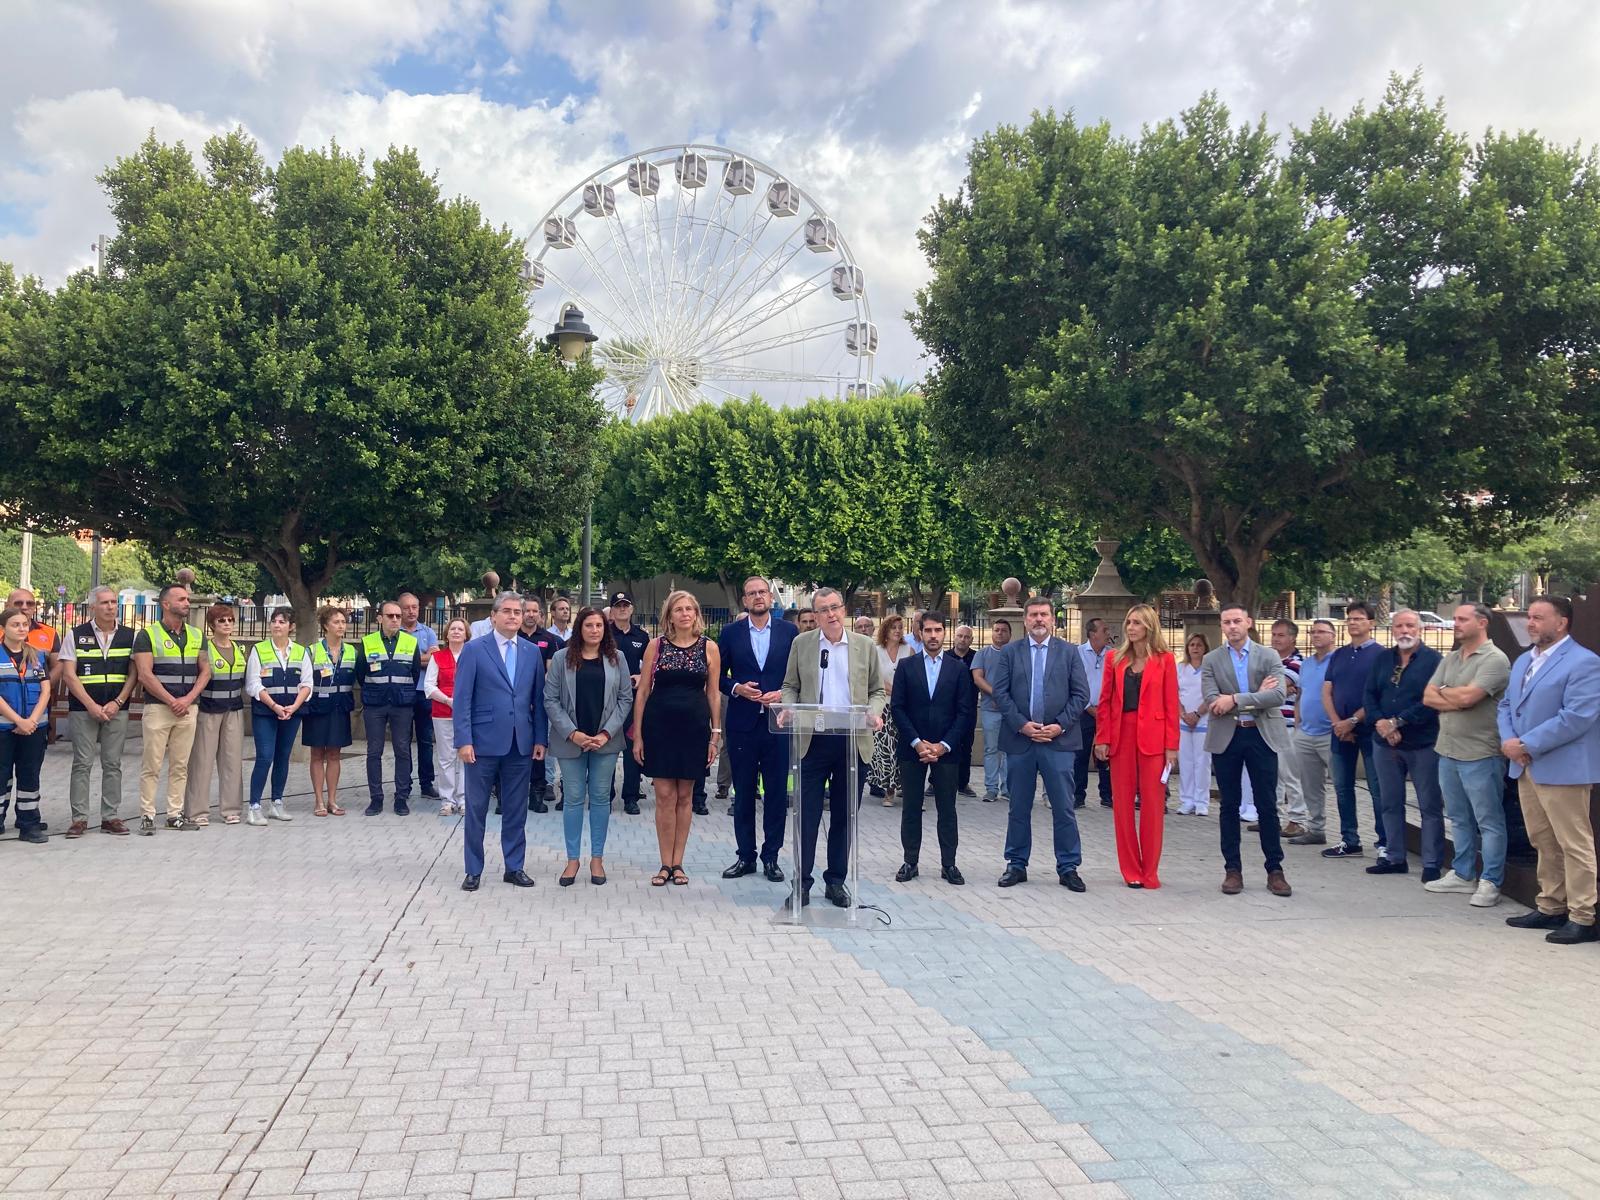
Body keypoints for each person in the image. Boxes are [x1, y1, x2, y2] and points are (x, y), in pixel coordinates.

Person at [1497, 595, 1600, 944]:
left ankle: (1583, 915)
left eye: (1539, 617)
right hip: (1525, 766)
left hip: (1563, 768)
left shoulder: (1584, 663)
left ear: (1562, 622)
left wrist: (1525, 744)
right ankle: (1550, 905)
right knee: (1542, 840)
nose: (1530, 623)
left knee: (1574, 843)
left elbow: (1577, 717)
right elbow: (1507, 705)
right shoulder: (1524, 660)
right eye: (1529, 616)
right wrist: (1510, 741)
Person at [778, 586, 887, 906]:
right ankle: (802, 883)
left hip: (852, 742)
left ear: (844, 609)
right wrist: (788, 707)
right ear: (815, 615)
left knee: (844, 816)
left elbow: (877, 691)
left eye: (835, 607)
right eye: (823, 610)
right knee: (806, 816)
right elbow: (790, 686)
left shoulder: (865, 646)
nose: (831, 614)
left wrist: (873, 712)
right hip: (814, 739)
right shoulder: (803, 644)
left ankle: (836, 881)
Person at [989, 597, 1090, 891]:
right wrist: (1023, 725)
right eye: (1033, 615)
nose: (1039, 619)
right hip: (1022, 741)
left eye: (1044, 614)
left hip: (1058, 742)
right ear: (1025, 619)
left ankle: (1068, 866)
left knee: (1063, 807)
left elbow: (1080, 695)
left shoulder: (1069, 653)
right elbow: (1001, 693)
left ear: (1053, 619)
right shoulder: (1010, 652)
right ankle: (1016, 864)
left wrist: (1059, 726)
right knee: (1018, 807)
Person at [453, 592, 547, 891]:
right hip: (481, 743)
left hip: (520, 742)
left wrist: (540, 738)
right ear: (493, 617)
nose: (512, 617)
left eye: (517, 612)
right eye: (506, 611)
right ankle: (473, 869)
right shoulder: (474, 649)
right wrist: (463, 740)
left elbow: (538, 700)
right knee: (477, 808)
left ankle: (514, 866)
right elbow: (462, 699)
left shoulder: (532, 652)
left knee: (516, 809)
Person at [1423, 602, 1511, 907]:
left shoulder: (1495, 660)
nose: (1455, 623)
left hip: (1480, 752)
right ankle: (1462, 874)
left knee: (1488, 820)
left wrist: (1451, 695)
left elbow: (1472, 697)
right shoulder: (1451, 658)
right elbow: (1427, 696)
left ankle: (1490, 880)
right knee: (1459, 818)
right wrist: (1456, 698)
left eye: (1462, 619)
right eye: (1455, 619)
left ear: (1482, 622)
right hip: (1447, 750)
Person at [1202, 604, 1292, 897]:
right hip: (1228, 738)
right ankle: (1232, 870)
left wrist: (1236, 699)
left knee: (1267, 804)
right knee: (1229, 805)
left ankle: (1275, 870)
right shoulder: (1211, 659)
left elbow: (1277, 695)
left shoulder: (1268, 656)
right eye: (1226, 622)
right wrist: (1255, 695)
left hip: (1261, 735)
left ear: (1249, 622)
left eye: (1237, 621)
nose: (1232, 626)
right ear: (1221, 625)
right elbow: (1214, 701)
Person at [632, 590, 721, 887]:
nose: (685, 614)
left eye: (689, 609)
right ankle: (664, 863)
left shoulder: (710, 648)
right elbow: (643, 691)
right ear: (669, 615)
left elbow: (713, 693)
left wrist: (715, 734)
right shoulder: (656, 646)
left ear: (697, 614)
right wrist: (638, 735)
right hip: (660, 728)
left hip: (694, 729)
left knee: (686, 797)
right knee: (664, 796)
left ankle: (678, 862)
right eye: (678, 609)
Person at [545, 607, 633, 886]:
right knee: (572, 799)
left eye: (599, 625)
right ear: (579, 629)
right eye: (588, 626)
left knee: (599, 799)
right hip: (572, 741)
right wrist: (574, 734)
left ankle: (597, 858)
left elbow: (625, 699)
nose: (594, 630)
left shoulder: (616, 658)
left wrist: (606, 733)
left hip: (604, 742)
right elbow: (551, 700)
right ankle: (572, 859)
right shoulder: (561, 658)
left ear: (604, 629)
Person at [719, 576, 797, 883]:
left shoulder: (789, 632)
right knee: (744, 793)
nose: (758, 597)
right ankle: (745, 856)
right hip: (743, 724)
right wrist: (737, 687)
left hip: (778, 722)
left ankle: (771, 856)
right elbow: (718, 675)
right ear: (744, 601)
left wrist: (783, 694)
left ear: (771, 597)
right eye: (751, 593)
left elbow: (799, 675)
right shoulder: (730, 633)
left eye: (762, 592)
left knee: (776, 794)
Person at [1095, 605, 1178, 889]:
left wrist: (1172, 746)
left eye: (1138, 623)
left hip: (1154, 738)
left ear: (1149, 627)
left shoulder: (1165, 660)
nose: (1131, 627)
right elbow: (1105, 702)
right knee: (1122, 805)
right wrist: (1102, 738)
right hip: (1121, 735)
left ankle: (1150, 871)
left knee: (1154, 805)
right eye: (1129, 622)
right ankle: (1130, 869)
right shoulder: (1113, 658)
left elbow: (1170, 705)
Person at [892, 611, 975, 885]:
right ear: (920, 632)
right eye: (928, 630)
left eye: (938, 630)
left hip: (947, 752)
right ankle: (910, 861)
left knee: (947, 809)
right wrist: (917, 743)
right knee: (911, 808)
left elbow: (965, 712)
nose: (933, 636)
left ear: (944, 632)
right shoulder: (906, 666)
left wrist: (943, 745)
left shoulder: (959, 669)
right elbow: (898, 708)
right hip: (912, 749)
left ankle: (949, 864)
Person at [1362, 609, 1445, 880]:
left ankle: (1432, 863)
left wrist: (1398, 723)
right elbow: (1370, 695)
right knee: (1389, 801)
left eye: (1410, 625)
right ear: (1392, 629)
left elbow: (1431, 701)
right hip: (1384, 743)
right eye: (1399, 626)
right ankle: (1395, 857)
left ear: (1419, 629)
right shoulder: (1383, 659)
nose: (1404, 631)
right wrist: (1381, 724)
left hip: (1421, 742)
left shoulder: (1434, 661)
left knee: (1429, 804)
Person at [132, 582, 212, 835]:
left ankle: (174, 814)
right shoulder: (147, 635)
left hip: (188, 709)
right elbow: (144, 674)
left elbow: (205, 670)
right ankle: (147, 815)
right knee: (152, 765)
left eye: (188, 599)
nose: (187, 603)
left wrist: (187, 699)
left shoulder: (197, 635)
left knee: (180, 765)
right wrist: (171, 700)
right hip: (158, 708)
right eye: (181, 599)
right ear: (166, 604)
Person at [62, 586, 136, 838]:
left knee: (113, 764)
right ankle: (79, 819)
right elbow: (69, 675)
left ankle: (110, 817)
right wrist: (91, 705)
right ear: (92, 606)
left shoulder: (130, 636)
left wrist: (118, 701)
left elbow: (134, 673)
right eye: (104, 602)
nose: (110, 607)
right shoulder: (75, 634)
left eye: (114, 602)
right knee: (82, 763)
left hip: (118, 709)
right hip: (84, 709)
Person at [1321, 601, 1386, 859]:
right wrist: (1338, 722)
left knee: (1377, 787)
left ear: (1371, 623)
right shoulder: (1338, 654)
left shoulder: (1381, 655)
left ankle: (1384, 841)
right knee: (1342, 786)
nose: (1353, 622)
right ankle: (1350, 839)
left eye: (1359, 618)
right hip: (1340, 731)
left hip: (1370, 731)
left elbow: (1378, 695)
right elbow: (1327, 690)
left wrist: (1354, 721)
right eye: (1350, 618)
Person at [244, 608, 312, 825]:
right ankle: (254, 806)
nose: (276, 625)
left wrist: (293, 707)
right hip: (266, 712)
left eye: (282, 622)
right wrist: (274, 706)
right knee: (265, 756)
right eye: (274, 621)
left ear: (291, 626)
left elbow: (307, 683)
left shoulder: (301, 652)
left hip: (292, 712)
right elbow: (253, 684)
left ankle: (277, 803)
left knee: (283, 757)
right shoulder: (259, 650)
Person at [357, 600, 422, 817]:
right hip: (375, 704)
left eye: (397, 616)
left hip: (402, 704)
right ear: (380, 618)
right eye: (390, 616)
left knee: (402, 750)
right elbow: (360, 672)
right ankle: (376, 798)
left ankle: (401, 798)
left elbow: (414, 672)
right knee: (374, 751)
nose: (394, 619)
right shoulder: (367, 642)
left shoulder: (410, 642)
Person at [185, 603, 247, 827]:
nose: (227, 624)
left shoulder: (239, 649)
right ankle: (197, 811)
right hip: (209, 710)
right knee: (202, 760)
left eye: (230, 620)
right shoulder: (206, 651)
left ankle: (231, 809)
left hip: (234, 710)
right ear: (212, 625)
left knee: (232, 760)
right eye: (222, 621)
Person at [0, 605, 52, 843]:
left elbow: (45, 689)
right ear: (3, 629)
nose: (21, 629)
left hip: (34, 727)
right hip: (4, 727)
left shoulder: (37, 655)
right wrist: (18, 720)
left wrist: (31, 720)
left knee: (29, 775)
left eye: (24, 625)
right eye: (15, 625)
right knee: (1, 775)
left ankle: (29, 823)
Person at [1286, 620, 1338, 845]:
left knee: (1342, 786)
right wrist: (1298, 723)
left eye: (1321, 632)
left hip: (1331, 732)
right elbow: (1300, 694)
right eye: (1313, 632)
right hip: (1306, 733)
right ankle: (1316, 829)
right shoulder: (1306, 664)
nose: (1316, 635)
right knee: (1310, 786)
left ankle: (1349, 835)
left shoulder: (1338, 661)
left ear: (1333, 636)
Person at [302, 605, 355, 816]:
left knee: (334, 754)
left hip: (340, 707)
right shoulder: (312, 651)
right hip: (317, 708)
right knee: (317, 753)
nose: (341, 626)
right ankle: (318, 800)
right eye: (336, 622)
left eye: (343, 622)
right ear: (325, 626)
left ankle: (333, 800)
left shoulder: (351, 651)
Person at [518, 597, 563, 811]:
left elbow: (550, 673)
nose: (530, 614)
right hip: (515, 703)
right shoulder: (511, 636)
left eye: (535, 611)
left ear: (540, 614)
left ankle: (538, 792)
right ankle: (508, 795)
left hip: (540, 703)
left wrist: (537, 698)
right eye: (526, 610)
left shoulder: (550, 639)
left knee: (539, 746)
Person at [607, 592, 650, 814]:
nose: (622, 609)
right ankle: (606, 795)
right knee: (607, 750)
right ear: (612, 611)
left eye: (626, 605)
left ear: (631, 609)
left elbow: (651, 667)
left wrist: (642, 677)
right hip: (608, 702)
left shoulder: (642, 637)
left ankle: (631, 797)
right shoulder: (605, 635)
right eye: (618, 606)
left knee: (634, 749)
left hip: (634, 702)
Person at [424, 618, 471, 816]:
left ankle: (463, 799)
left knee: (466, 756)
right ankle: (447, 800)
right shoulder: (438, 657)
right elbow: (429, 685)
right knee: (446, 758)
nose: (456, 632)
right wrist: (448, 700)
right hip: (443, 713)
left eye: (461, 629)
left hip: (468, 715)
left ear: (467, 634)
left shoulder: (473, 656)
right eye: (453, 628)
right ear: (446, 633)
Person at [869, 614, 914, 805]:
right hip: (883, 707)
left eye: (900, 627)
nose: (897, 630)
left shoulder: (908, 650)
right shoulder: (876, 651)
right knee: (885, 749)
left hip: (904, 707)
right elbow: (875, 679)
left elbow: (913, 677)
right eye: (893, 627)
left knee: (902, 748)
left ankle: (906, 786)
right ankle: (889, 790)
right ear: (885, 630)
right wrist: (897, 692)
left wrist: (902, 695)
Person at [399, 593, 441, 802]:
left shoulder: (428, 632)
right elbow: (398, 663)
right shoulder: (394, 633)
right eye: (406, 607)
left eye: (414, 607)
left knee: (426, 741)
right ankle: (404, 785)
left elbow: (436, 661)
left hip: (424, 693)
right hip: (403, 693)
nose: (411, 611)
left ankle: (427, 784)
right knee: (402, 741)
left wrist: (411, 659)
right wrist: (423, 657)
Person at [7, 588, 63, 745]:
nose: (24, 607)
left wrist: (42, 689)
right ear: (7, 605)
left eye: (30, 603)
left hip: (37, 706)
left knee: (32, 765)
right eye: (18, 603)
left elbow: (58, 665)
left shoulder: (49, 633)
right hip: (5, 704)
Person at [970, 620, 1012, 804]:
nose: (1000, 633)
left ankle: (1009, 789)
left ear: (1010, 634)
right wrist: (997, 696)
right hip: (990, 709)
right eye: (997, 630)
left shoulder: (1016, 653)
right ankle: (991, 789)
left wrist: (1006, 701)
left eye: (1004, 630)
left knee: (1010, 750)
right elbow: (978, 678)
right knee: (991, 749)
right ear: (992, 633)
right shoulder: (982, 654)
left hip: (1012, 711)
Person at [1075, 617, 1114, 809]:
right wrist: (1089, 707)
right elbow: (1075, 683)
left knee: (1107, 754)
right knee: (1080, 755)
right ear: (1092, 634)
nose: (1108, 633)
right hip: (1084, 711)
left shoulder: (1113, 655)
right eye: (1104, 630)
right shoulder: (1078, 653)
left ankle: (1108, 795)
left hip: (1108, 712)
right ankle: (1077, 795)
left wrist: (1105, 710)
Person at [1175, 633, 1211, 815]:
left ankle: (1201, 801)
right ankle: (1186, 800)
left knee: (1202, 762)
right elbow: (1174, 693)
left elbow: (1212, 694)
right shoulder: (1180, 668)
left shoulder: (1209, 669)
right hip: (1183, 722)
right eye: (1192, 645)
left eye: (1199, 645)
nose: (1195, 648)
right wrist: (1183, 714)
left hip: (1203, 721)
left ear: (1205, 648)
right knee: (1186, 762)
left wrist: (1197, 714)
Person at [949, 624, 978, 797]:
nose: (963, 639)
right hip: (947, 709)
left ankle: (963, 783)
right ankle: (935, 783)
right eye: (960, 636)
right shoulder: (945, 657)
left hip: (968, 709)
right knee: (945, 745)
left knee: (966, 746)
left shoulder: (976, 658)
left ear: (971, 640)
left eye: (967, 637)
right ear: (954, 637)